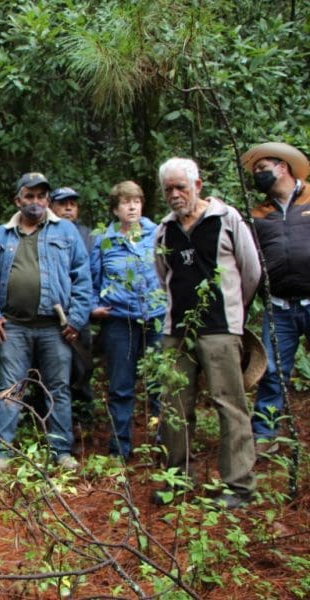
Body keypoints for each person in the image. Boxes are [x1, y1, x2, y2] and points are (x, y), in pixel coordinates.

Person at [153, 157, 261, 508]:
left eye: (180, 187)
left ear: (197, 186)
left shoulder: (227, 219)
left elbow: (251, 272)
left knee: (229, 404)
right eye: (168, 189)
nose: (174, 195)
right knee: (174, 407)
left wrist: (232, 312)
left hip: (220, 329)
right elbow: (163, 276)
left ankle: (238, 486)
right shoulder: (164, 229)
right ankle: (178, 480)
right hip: (177, 331)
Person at [0, 173, 92, 472]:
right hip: (13, 326)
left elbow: (82, 278)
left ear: (47, 200)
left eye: (41, 196)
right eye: (29, 196)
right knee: (10, 388)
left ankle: (61, 452)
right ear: (18, 200)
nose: (36, 202)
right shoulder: (2, 235)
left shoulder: (65, 231)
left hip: (55, 327)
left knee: (58, 388)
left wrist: (76, 319)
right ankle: (2, 454)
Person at [241, 142, 310, 453]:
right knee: (271, 371)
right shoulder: (259, 213)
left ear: (283, 167)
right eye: (255, 170)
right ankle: (265, 435)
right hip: (279, 306)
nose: (258, 174)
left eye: (262, 168)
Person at [90, 181, 166, 459]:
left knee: (160, 384)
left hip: (156, 318)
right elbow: (92, 279)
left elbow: (170, 271)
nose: (132, 207)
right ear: (115, 209)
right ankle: (119, 450)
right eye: (125, 202)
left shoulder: (158, 233)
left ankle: (164, 446)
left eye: (136, 201)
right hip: (119, 321)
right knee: (120, 386)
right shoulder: (104, 240)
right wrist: (93, 308)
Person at [46, 186, 95, 429]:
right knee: (50, 371)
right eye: (63, 204)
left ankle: (83, 420)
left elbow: (93, 274)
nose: (68, 208)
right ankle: (46, 418)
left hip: (79, 313)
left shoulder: (89, 236)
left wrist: (86, 309)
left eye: (72, 204)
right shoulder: (44, 231)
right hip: (48, 315)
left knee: (81, 366)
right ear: (51, 206)